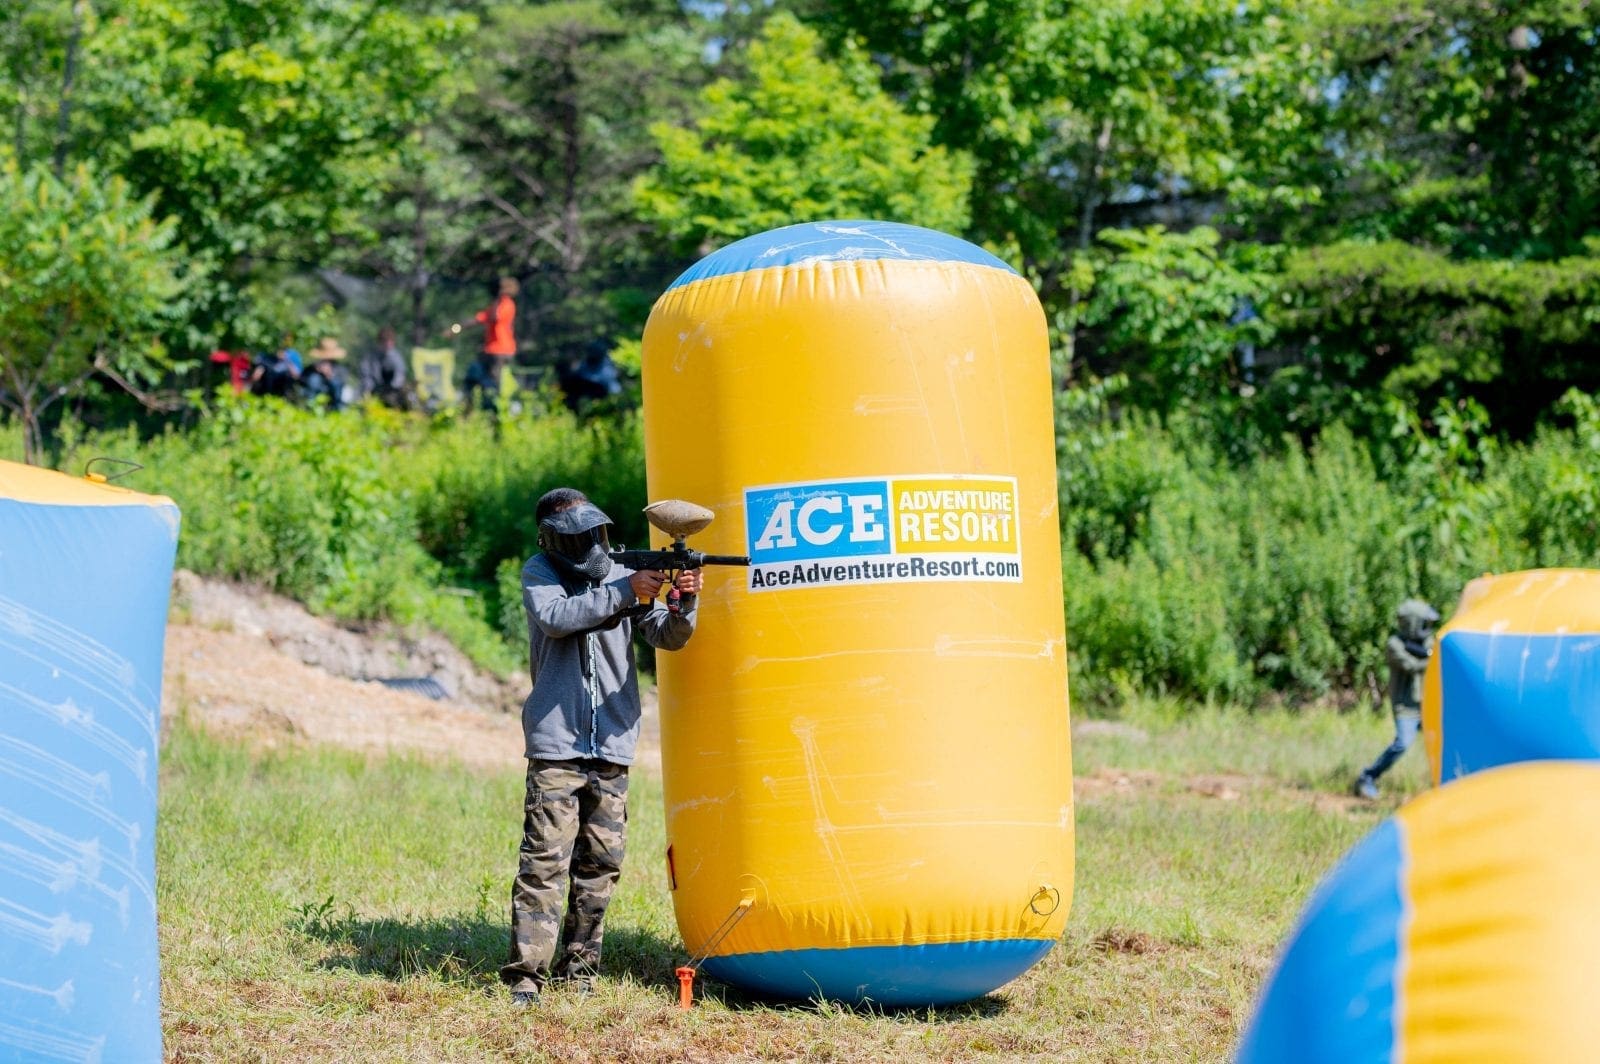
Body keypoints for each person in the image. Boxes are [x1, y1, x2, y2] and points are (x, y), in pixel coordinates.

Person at [500, 488, 702, 1005]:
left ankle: (580, 971)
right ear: (551, 539)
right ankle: (526, 977)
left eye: (595, 533)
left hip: (611, 742)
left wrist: (682, 602)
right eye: (579, 537)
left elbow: (667, 636)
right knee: (545, 861)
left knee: (599, 865)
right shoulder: (540, 573)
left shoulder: (621, 573)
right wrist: (624, 590)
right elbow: (557, 619)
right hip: (557, 743)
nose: (591, 544)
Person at [1353, 599, 1441, 799]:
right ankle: (1368, 777)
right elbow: (1412, 666)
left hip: (1427, 704)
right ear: (1412, 623)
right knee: (1403, 743)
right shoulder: (1395, 645)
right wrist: (1433, 657)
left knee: (1444, 742)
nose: (1427, 628)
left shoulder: (1426, 643)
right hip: (1406, 706)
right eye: (1423, 623)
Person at [462, 277, 519, 412]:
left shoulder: (507, 304)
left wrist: (498, 299)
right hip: (490, 350)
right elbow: (478, 318)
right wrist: (456, 328)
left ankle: (496, 410)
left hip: (501, 351)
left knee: (495, 383)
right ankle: (479, 406)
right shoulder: (496, 305)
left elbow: (494, 317)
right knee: (476, 377)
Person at [359, 326, 410, 408]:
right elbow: (365, 375)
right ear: (379, 342)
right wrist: (369, 390)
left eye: (390, 342)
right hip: (375, 390)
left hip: (392, 391)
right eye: (385, 342)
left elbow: (400, 375)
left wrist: (392, 388)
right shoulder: (371, 357)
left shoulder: (396, 357)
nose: (387, 345)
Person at [301, 337, 349, 411]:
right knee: (313, 378)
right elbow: (302, 379)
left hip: (333, 397)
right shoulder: (313, 367)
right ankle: (311, 407)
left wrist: (329, 375)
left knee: (336, 382)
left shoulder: (339, 368)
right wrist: (316, 371)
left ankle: (337, 408)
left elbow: (342, 383)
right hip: (316, 395)